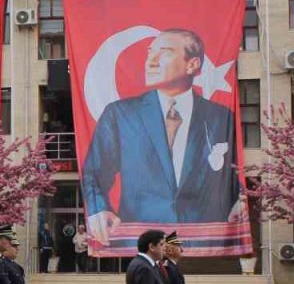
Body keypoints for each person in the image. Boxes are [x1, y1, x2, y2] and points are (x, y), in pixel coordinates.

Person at [83, 29, 244, 244]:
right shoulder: (120, 115)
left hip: (204, 240)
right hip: (139, 240)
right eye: (150, 53)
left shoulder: (219, 117)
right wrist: (98, 208)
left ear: (192, 64)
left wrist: (239, 199)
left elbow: (234, 174)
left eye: (165, 53)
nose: (151, 61)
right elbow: (94, 172)